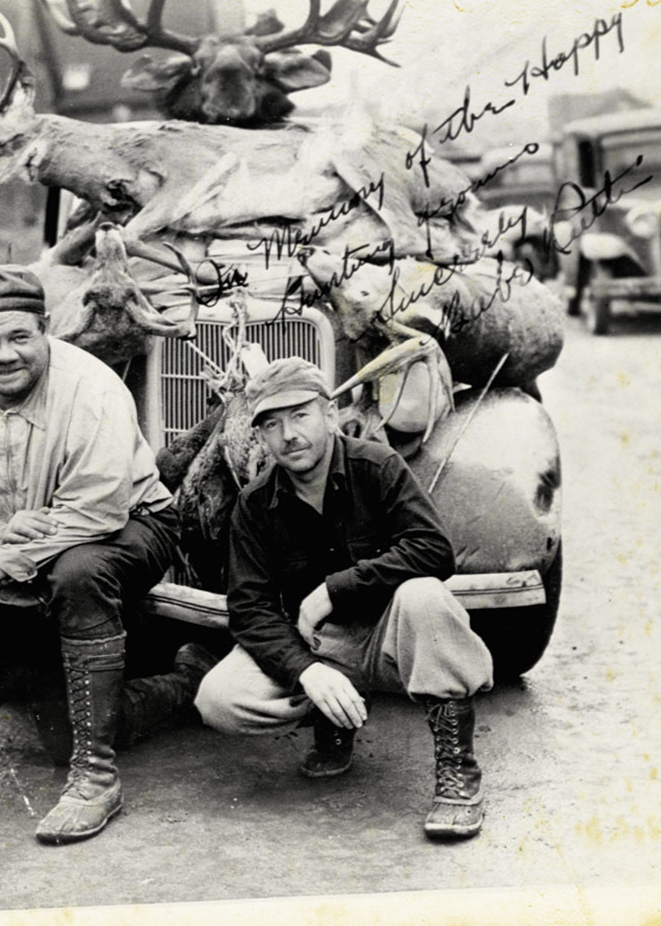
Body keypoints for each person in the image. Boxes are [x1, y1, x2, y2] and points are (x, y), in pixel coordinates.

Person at [0, 265, 211, 845]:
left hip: (128, 526)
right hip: (17, 541)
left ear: (46, 328)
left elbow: (98, 510)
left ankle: (99, 775)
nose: (5, 356)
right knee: (51, 727)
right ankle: (155, 678)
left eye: (20, 336)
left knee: (78, 572)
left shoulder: (92, 387)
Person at [193, 358, 496, 841]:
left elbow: (433, 549)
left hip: (390, 638)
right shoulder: (254, 504)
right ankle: (333, 718)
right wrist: (305, 670)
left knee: (425, 596)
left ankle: (458, 770)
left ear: (329, 414)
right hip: (320, 647)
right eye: (271, 424)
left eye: (300, 415)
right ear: (261, 436)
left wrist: (336, 589)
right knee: (219, 698)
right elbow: (250, 610)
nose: (289, 435)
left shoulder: (377, 467)